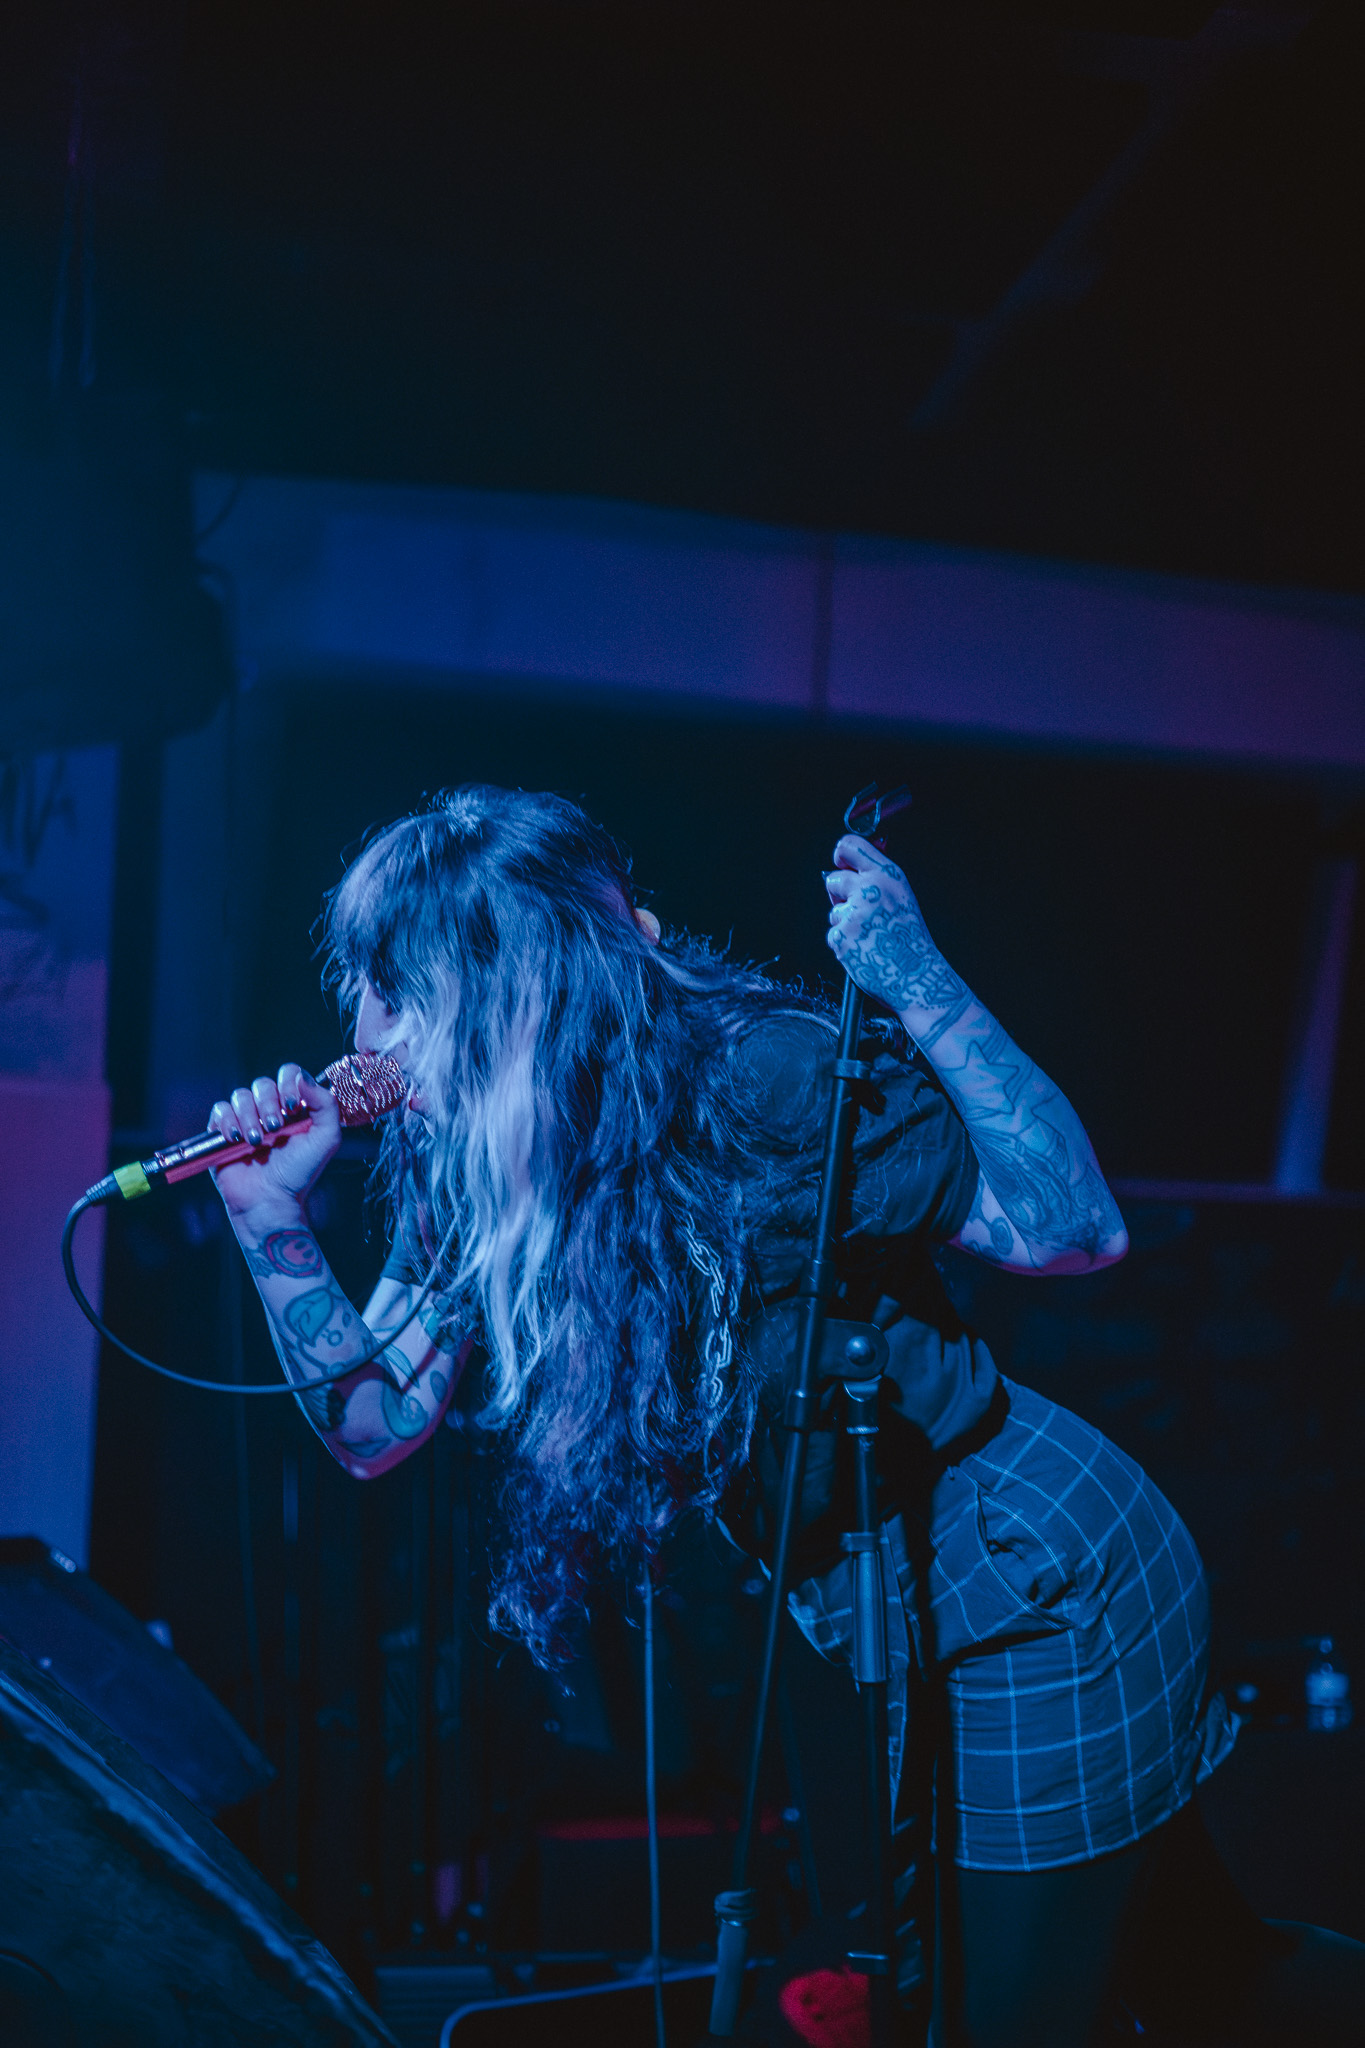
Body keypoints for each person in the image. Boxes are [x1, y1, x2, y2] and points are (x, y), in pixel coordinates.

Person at [209, 784, 1364, 2046]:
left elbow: (1071, 1226)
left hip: (1033, 1575)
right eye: (366, 985)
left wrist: (915, 974)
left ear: (515, 987)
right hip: (876, 1598)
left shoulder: (759, 1073)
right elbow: (374, 1424)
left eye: (398, 990)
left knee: (1000, 2018)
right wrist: (270, 1221)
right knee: (1207, 1978)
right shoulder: (488, 1162)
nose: (363, 1030)